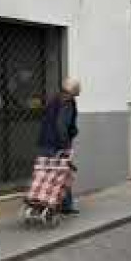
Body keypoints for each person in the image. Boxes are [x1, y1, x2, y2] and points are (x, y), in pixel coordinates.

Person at [37, 77, 81, 214]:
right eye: (77, 91)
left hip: (45, 142)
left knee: (47, 175)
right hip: (56, 144)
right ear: (73, 91)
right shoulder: (67, 102)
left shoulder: (55, 99)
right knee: (61, 174)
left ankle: (56, 205)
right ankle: (61, 206)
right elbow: (61, 125)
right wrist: (65, 146)